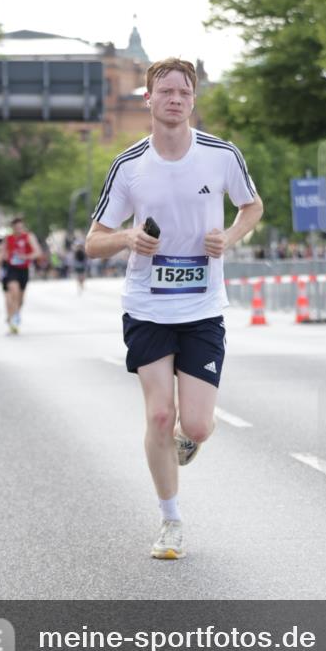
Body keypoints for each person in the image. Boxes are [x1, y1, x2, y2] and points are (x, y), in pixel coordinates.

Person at [85, 57, 263, 560]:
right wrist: (127, 237)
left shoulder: (221, 155)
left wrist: (229, 236)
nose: (175, 99)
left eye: (184, 92)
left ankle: (188, 439)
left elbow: (252, 206)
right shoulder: (129, 165)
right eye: (165, 91)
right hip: (147, 306)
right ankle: (170, 522)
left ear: (193, 100)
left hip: (202, 306)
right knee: (160, 415)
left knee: (197, 426)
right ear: (148, 99)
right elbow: (93, 242)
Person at [0, 217, 41, 334]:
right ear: (13, 228)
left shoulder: (29, 237)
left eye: (21, 227)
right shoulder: (8, 238)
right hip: (11, 269)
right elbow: (2, 253)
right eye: (16, 227)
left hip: (24, 269)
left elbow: (37, 252)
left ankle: (15, 315)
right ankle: (13, 320)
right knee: (13, 292)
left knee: (20, 299)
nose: (19, 229)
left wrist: (25, 257)